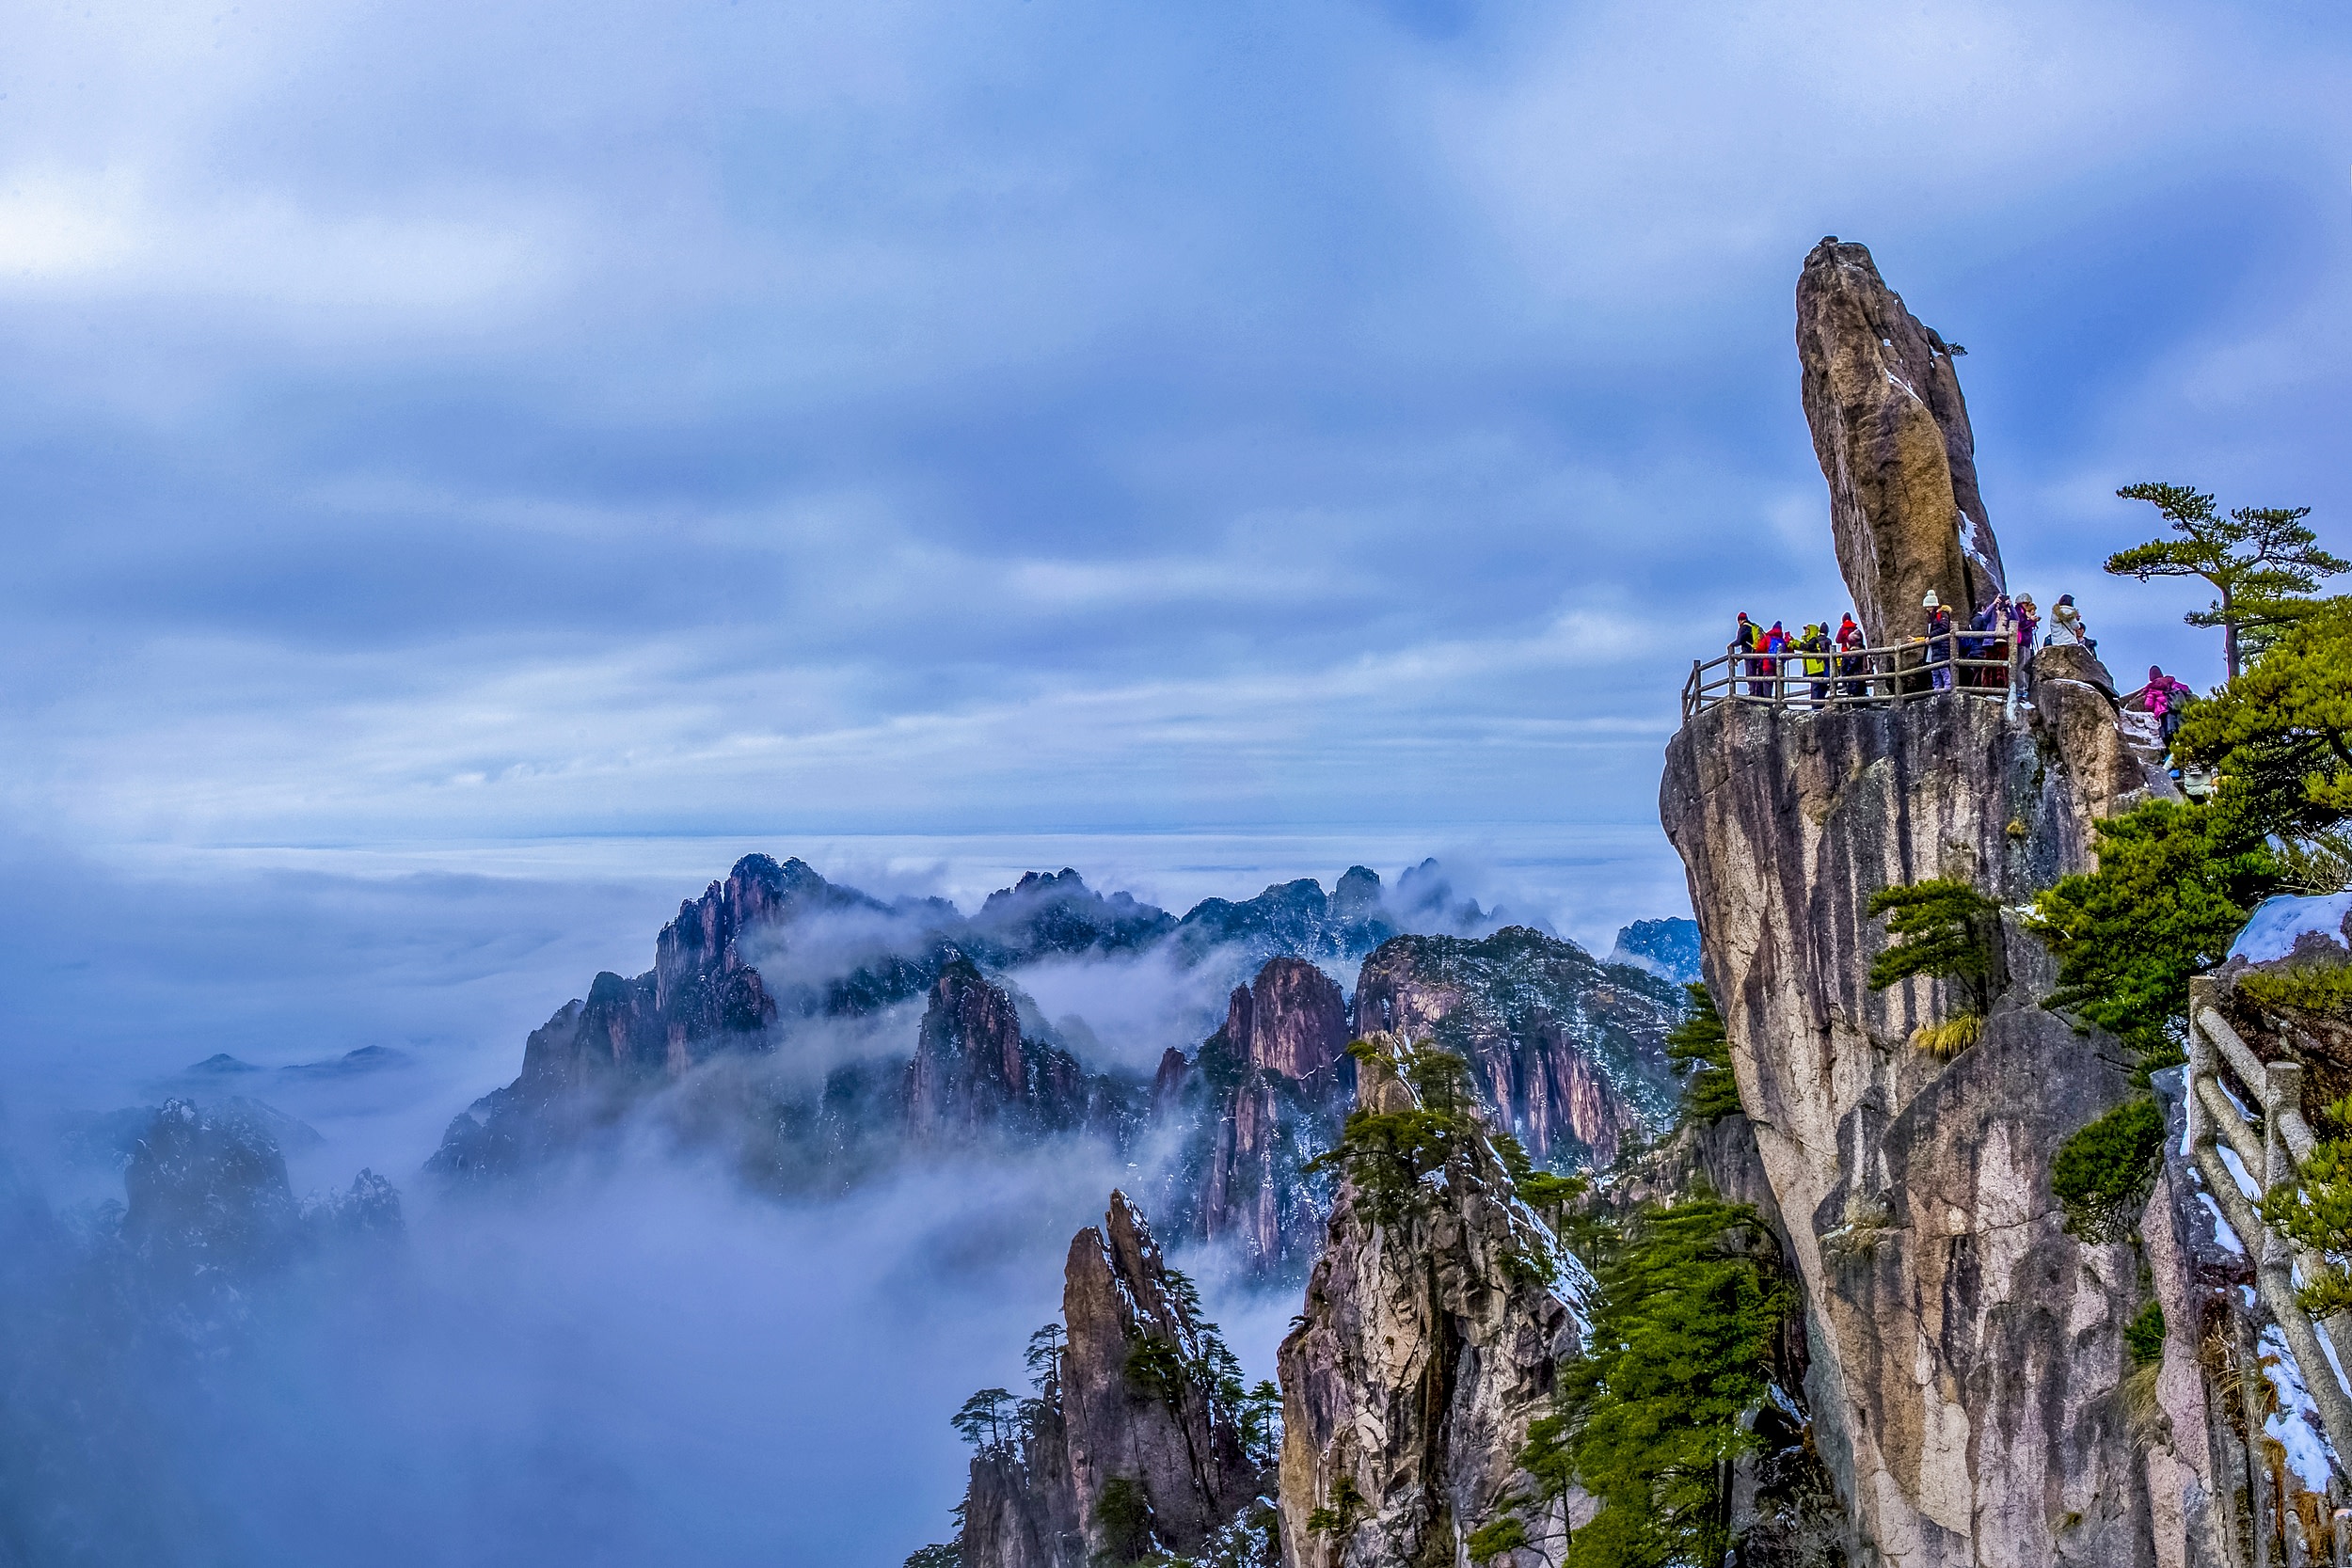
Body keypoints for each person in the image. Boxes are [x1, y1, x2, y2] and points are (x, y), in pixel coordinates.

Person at [2144, 665, 2192, 746]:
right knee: (2182, 730)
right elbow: (2186, 689)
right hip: (2179, 710)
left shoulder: (2152, 689)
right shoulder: (2171, 682)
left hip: (2165, 713)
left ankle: (2173, 750)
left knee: (2169, 734)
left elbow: (2148, 705)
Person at [1922, 591, 1953, 691]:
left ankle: (1948, 687)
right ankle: (1937, 688)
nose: (1927, 609)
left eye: (1928, 606)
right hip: (1935, 647)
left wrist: (1930, 635)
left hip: (1942, 645)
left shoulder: (1941, 615)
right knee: (1935, 669)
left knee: (1943, 667)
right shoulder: (1934, 617)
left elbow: (1943, 627)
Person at [1835, 612, 1867, 701]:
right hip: (1856, 650)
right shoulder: (1855, 628)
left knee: (1845, 668)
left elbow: (1837, 640)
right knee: (1855, 668)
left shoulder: (1843, 628)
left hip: (1846, 651)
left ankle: (1845, 685)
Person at [1800, 621, 1832, 706]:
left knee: (1816, 686)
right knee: (1822, 685)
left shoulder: (1815, 640)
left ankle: (1816, 705)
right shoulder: (1827, 640)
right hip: (1822, 665)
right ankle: (1818, 705)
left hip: (1815, 666)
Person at [1734, 612, 1765, 699]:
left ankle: (1752, 695)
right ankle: (1759, 695)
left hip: (1749, 655)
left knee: (1750, 674)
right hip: (1757, 653)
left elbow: (1740, 641)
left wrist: (1731, 645)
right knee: (1758, 675)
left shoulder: (1743, 628)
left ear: (1739, 620)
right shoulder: (1753, 627)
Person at [1763, 621, 1790, 702]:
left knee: (1767, 684)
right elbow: (1790, 653)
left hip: (1768, 665)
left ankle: (1768, 703)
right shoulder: (1782, 640)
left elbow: (1759, 648)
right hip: (1780, 666)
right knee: (1779, 683)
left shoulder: (1767, 638)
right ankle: (1779, 702)